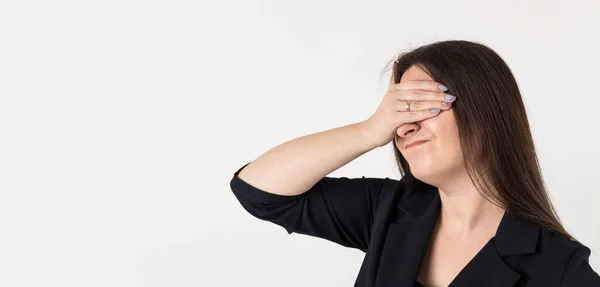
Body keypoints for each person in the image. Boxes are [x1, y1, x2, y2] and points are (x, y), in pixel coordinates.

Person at [229, 40, 600, 286]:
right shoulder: (388, 210)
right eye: (399, 109)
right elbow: (259, 190)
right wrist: (369, 131)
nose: (404, 125)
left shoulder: (559, 267)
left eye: (421, 104)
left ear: (486, 110)